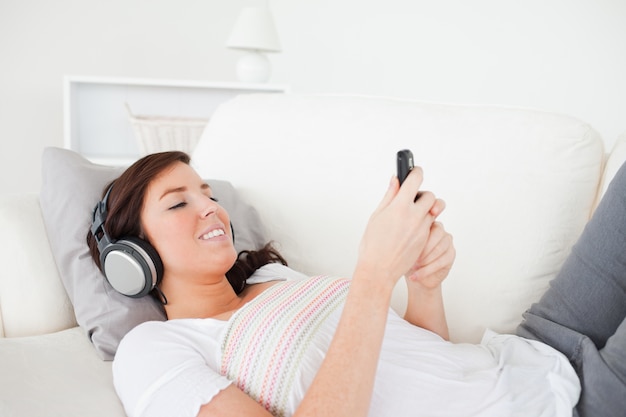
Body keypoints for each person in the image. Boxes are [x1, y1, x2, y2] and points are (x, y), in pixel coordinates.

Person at [87, 151, 584, 417]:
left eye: (208, 193)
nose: (211, 208)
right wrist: (372, 276)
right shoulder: (152, 349)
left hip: (532, 361)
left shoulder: (273, 277)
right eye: (178, 203)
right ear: (132, 257)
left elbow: (420, 361)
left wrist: (424, 286)